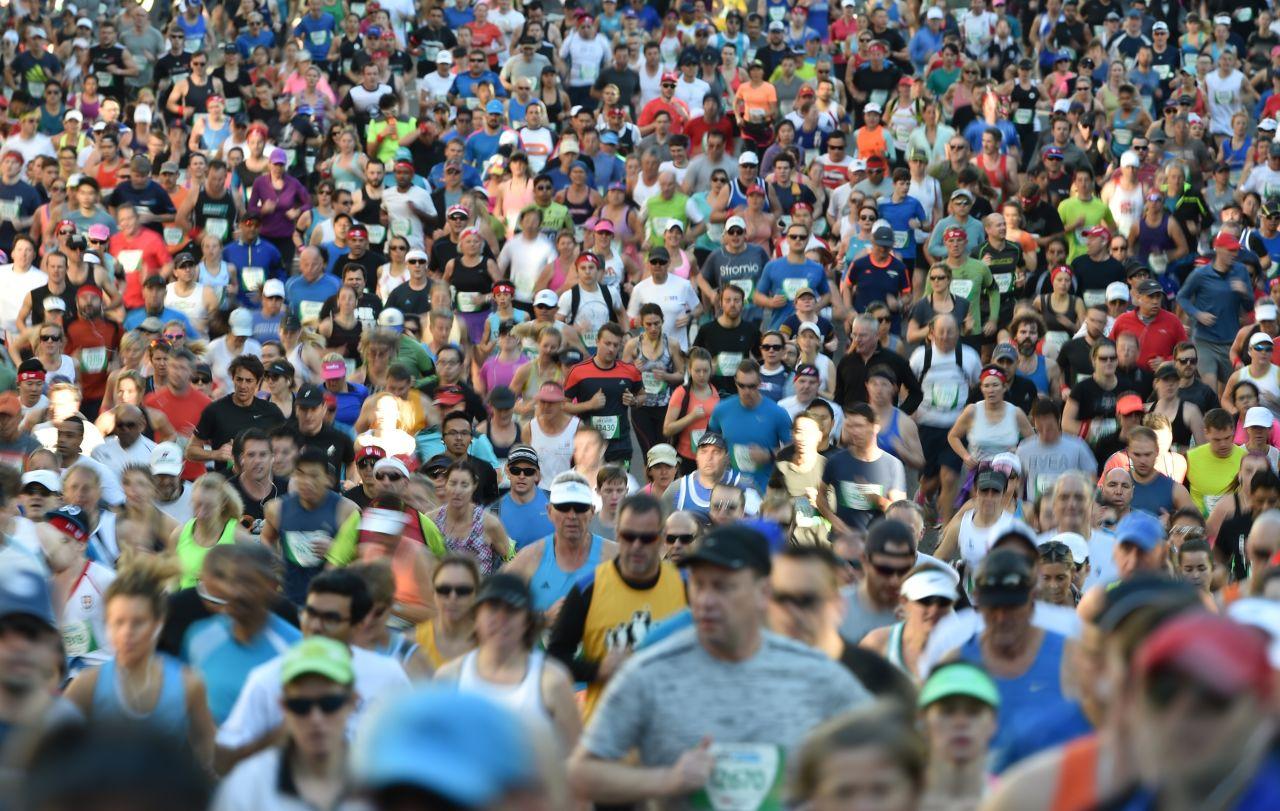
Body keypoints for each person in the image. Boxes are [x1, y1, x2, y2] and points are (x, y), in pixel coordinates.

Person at [568, 524, 871, 808]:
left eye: (723, 587)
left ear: (763, 592)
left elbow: (889, 758)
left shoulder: (815, 673)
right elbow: (581, 773)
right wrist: (666, 781)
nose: (706, 600)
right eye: (699, 585)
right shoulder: (651, 672)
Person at [63, 555, 216, 768]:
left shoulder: (189, 684)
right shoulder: (87, 685)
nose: (127, 633)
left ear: (158, 622)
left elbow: (207, 747)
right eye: (118, 622)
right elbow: (53, 747)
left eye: (138, 622)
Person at [547, 493, 687, 720]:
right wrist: (597, 670)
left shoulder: (687, 587)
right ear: (617, 534)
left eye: (647, 538)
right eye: (629, 536)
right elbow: (555, 658)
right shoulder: (588, 588)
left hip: (667, 732)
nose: (636, 546)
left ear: (662, 537)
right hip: (606, 733)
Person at [212, 637, 361, 810]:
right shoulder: (249, 784)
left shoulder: (381, 783)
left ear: (353, 702)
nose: (315, 718)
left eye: (330, 703)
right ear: (284, 707)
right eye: (300, 706)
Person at [435, 572, 581, 750]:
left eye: (511, 609)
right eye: (493, 608)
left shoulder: (552, 682)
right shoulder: (449, 677)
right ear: (476, 617)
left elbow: (574, 759)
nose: (501, 618)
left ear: (527, 621)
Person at [504, 471, 618, 620]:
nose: (572, 516)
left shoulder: (615, 556)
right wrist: (543, 619)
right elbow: (497, 608)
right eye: (563, 507)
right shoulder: (529, 558)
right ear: (549, 511)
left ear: (591, 512)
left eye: (579, 507)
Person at [261, 447, 360, 606]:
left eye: (314, 475)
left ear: (328, 479)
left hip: (331, 602)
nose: (306, 481)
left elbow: (363, 558)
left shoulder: (347, 511)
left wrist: (337, 550)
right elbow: (266, 537)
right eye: (300, 474)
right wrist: (273, 559)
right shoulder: (276, 508)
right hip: (289, 598)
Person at [917, 662, 1001, 811]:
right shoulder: (897, 799)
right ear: (924, 721)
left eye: (973, 712)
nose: (960, 722)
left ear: (993, 723)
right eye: (947, 711)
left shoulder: (1013, 798)